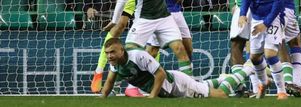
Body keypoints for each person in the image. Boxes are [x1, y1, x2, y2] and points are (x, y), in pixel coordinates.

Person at [101, 38, 253, 98]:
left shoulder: (138, 56)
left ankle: (248, 68)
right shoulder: (115, 63)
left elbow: (160, 74)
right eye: (107, 53)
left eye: (112, 52)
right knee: (202, 87)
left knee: (220, 96)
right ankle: (222, 78)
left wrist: (152, 96)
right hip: (172, 86)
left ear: (122, 50)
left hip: (176, 85)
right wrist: (102, 98)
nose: (109, 56)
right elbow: (109, 82)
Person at [239, 0, 287, 100]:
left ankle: (282, 91)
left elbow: (279, 2)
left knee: (270, 54)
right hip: (257, 17)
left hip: (272, 17)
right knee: (254, 57)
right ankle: (263, 82)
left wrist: (266, 24)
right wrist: (242, 14)